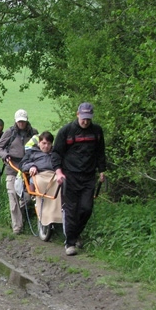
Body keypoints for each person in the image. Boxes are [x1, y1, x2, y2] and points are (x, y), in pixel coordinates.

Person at [53, 102, 106, 256]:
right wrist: (58, 172)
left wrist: (102, 170)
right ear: (77, 115)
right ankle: (70, 243)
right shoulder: (67, 131)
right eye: (83, 118)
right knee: (70, 210)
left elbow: (100, 152)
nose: (85, 121)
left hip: (89, 176)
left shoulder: (97, 132)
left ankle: (75, 234)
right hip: (70, 176)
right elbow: (56, 153)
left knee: (86, 209)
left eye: (88, 119)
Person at [0, 109, 38, 234]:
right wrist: (5, 155)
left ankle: (23, 217)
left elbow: (40, 147)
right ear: (15, 121)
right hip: (12, 169)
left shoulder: (34, 133)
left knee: (28, 197)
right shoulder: (10, 132)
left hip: (28, 169)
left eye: (23, 122)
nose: (21, 124)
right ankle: (17, 226)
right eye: (19, 121)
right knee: (13, 196)